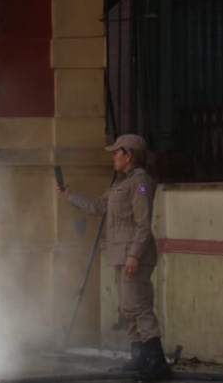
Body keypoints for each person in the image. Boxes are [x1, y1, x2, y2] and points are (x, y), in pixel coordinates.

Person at [56, 134, 170, 381]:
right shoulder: (121, 183)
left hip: (133, 255)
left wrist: (134, 255)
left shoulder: (140, 182)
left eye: (116, 152)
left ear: (127, 155)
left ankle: (157, 361)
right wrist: (70, 195)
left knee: (138, 306)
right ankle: (139, 357)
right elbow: (99, 207)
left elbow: (143, 224)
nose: (113, 157)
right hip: (122, 255)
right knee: (128, 307)